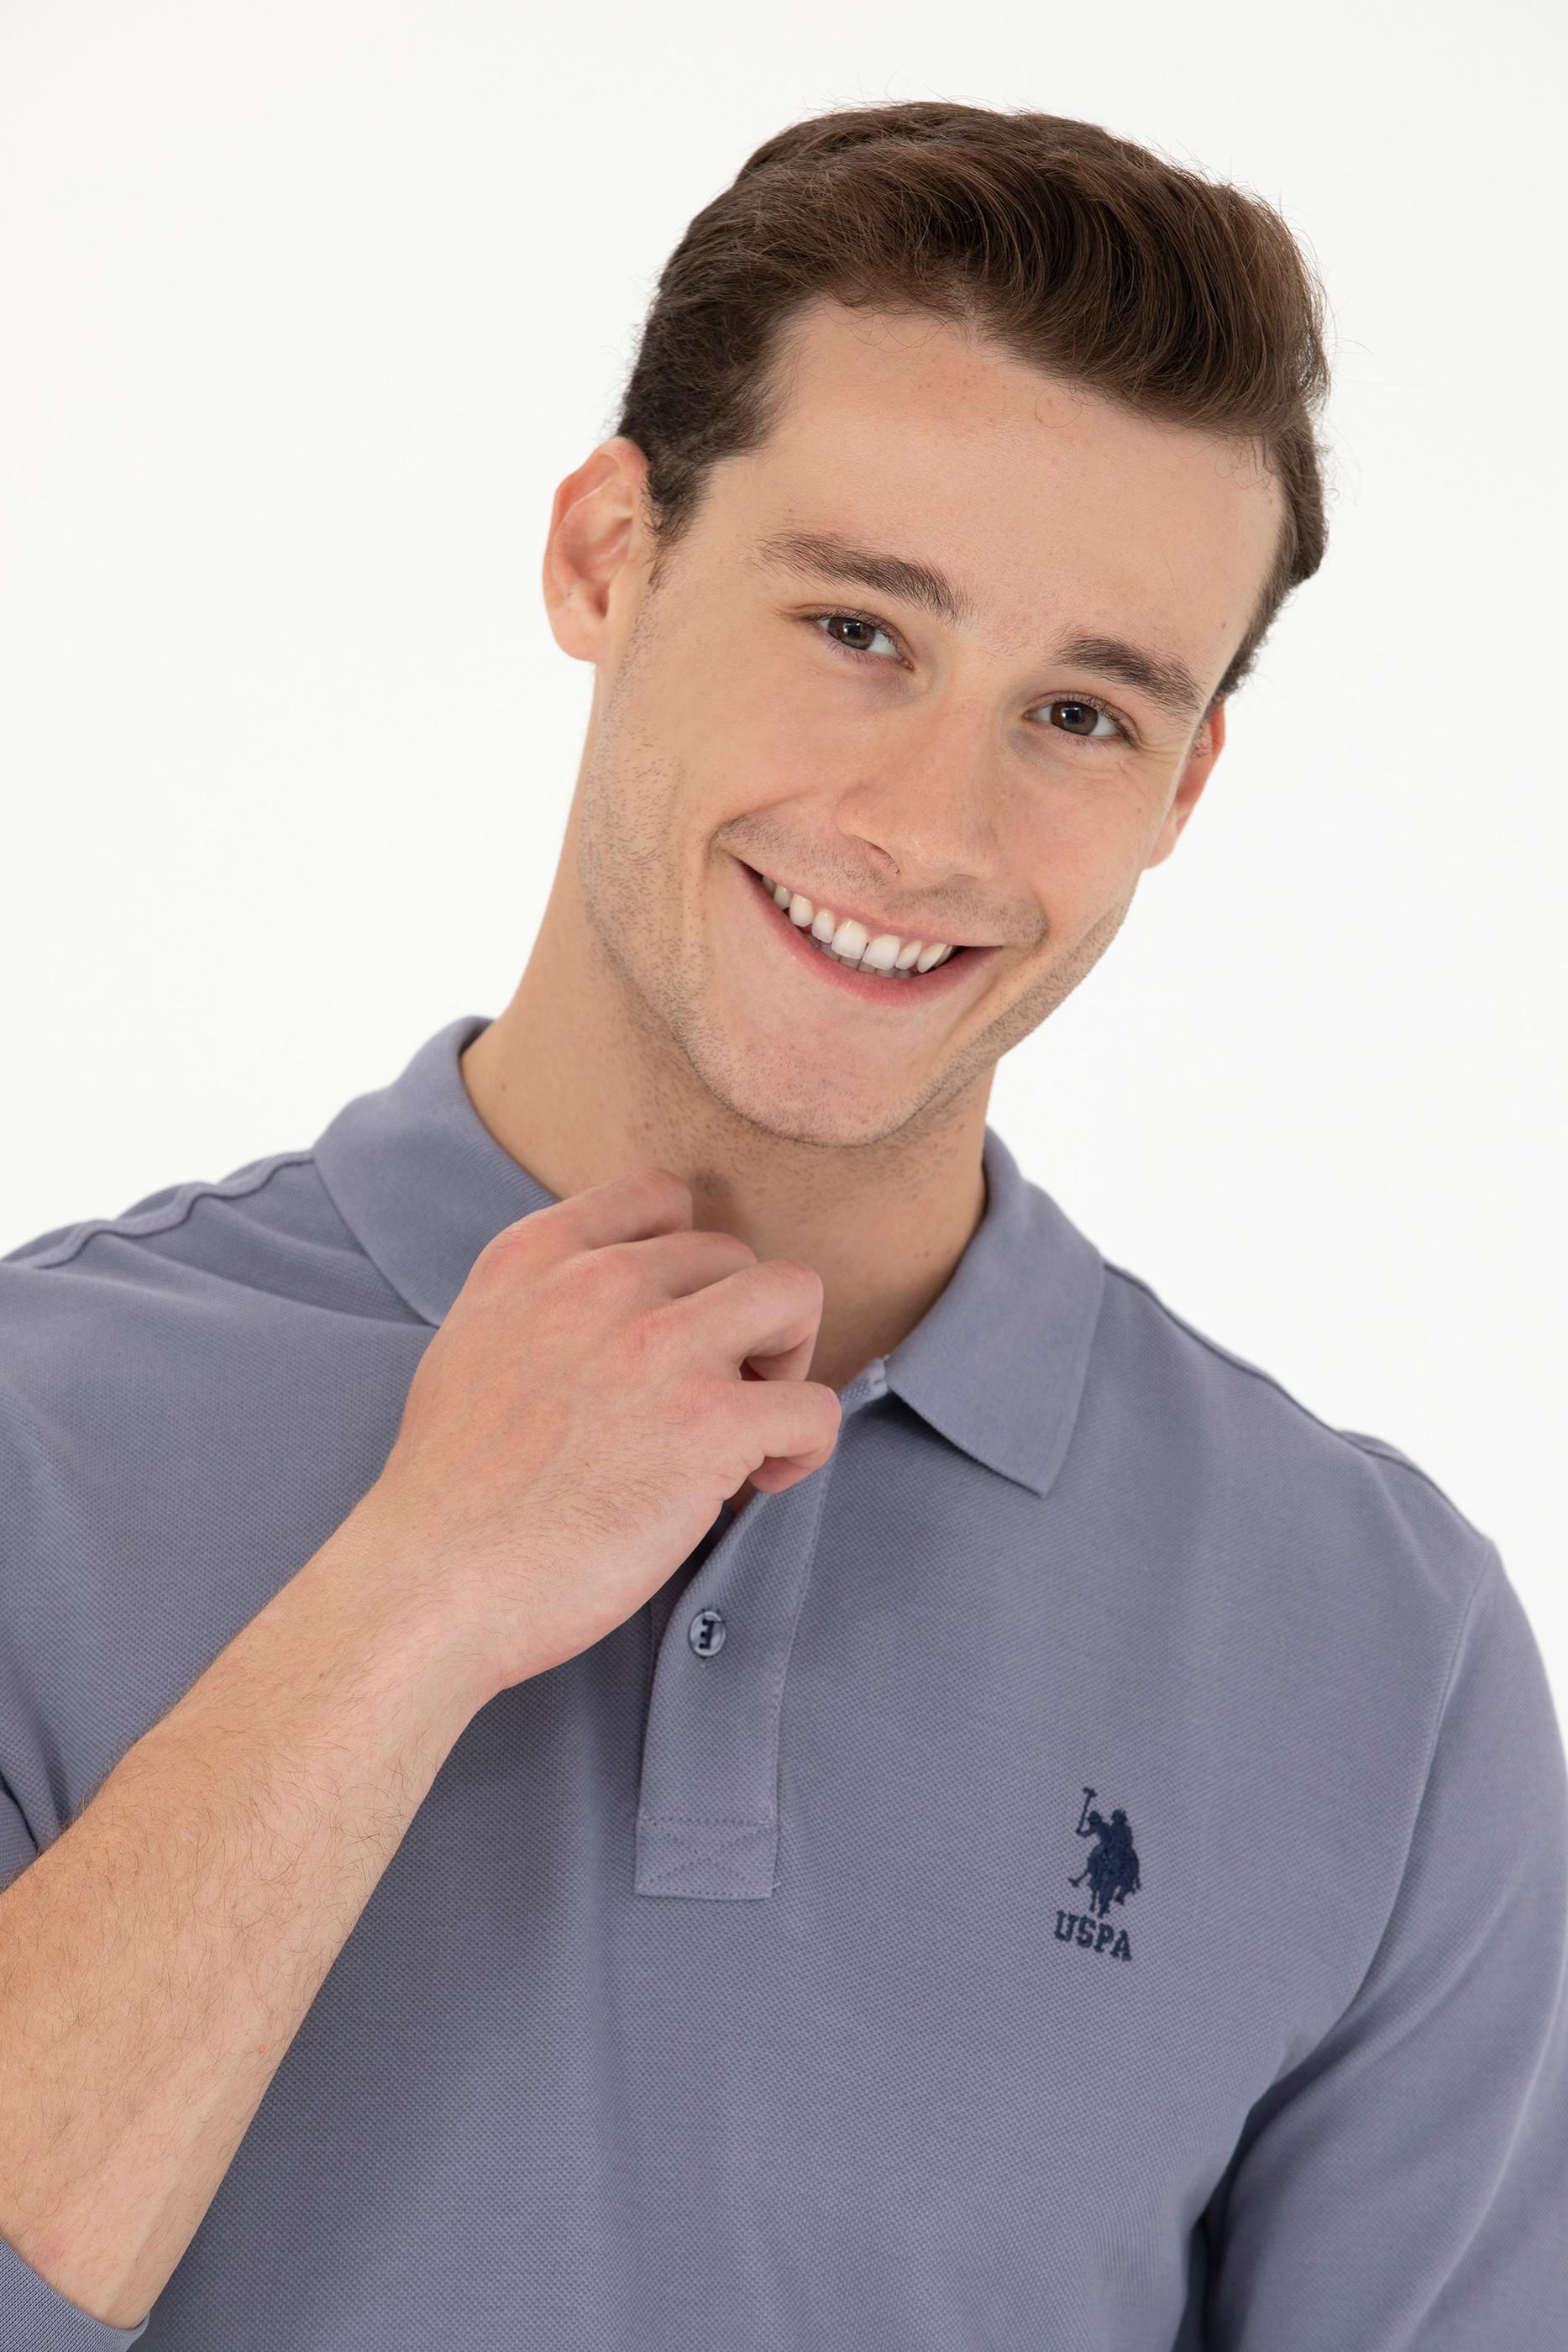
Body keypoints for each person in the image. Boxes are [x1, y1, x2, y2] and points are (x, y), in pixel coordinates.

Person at [1, 97, 1563, 2351]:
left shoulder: (1378, 1651)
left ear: (1185, 785)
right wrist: (408, 1602)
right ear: (604, 556)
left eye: (1079, 711)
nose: (928, 824)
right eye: (857, 626)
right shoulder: (40, 1441)